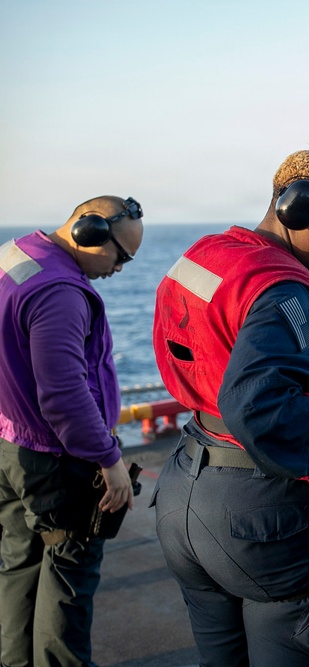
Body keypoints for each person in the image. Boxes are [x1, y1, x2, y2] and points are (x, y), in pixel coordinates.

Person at [151, 148, 309, 667]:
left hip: (188, 493)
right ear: (299, 208)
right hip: (268, 519)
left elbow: (243, 351)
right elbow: (262, 408)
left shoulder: (212, 256)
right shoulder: (285, 292)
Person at [0, 196, 143, 667]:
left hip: (9, 443)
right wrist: (108, 458)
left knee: (19, 569)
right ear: (89, 233)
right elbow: (62, 393)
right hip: (56, 461)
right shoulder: (61, 293)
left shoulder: (17, 252)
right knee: (68, 580)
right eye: (120, 256)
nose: (121, 269)